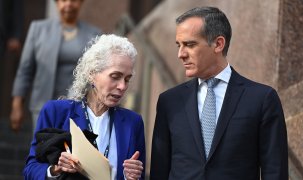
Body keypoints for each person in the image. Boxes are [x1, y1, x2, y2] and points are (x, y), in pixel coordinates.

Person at [150, 6, 288, 180]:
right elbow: (159, 171)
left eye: (190, 44)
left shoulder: (262, 99)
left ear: (218, 44)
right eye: (179, 45)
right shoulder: (169, 101)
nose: (181, 54)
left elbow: (275, 171)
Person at [24, 34, 145, 180]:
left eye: (127, 79)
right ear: (92, 74)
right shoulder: (56, 112)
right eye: (115, 76)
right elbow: (30, 170)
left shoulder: (133, 122)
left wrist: (132, 177)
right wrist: (55, 170)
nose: (122, 86)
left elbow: (140, 175)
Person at [10, 0, 102, 132]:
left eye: (74, 0)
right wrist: (17, 104)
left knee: (71, 151)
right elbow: (25, 70)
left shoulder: (94, 34)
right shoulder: (38, 29)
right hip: (42, 105)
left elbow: (97, 74)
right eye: (63, 0)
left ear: (81, 3)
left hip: (79, 108)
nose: (68, 5)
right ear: (56, 3)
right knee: (44, 149)